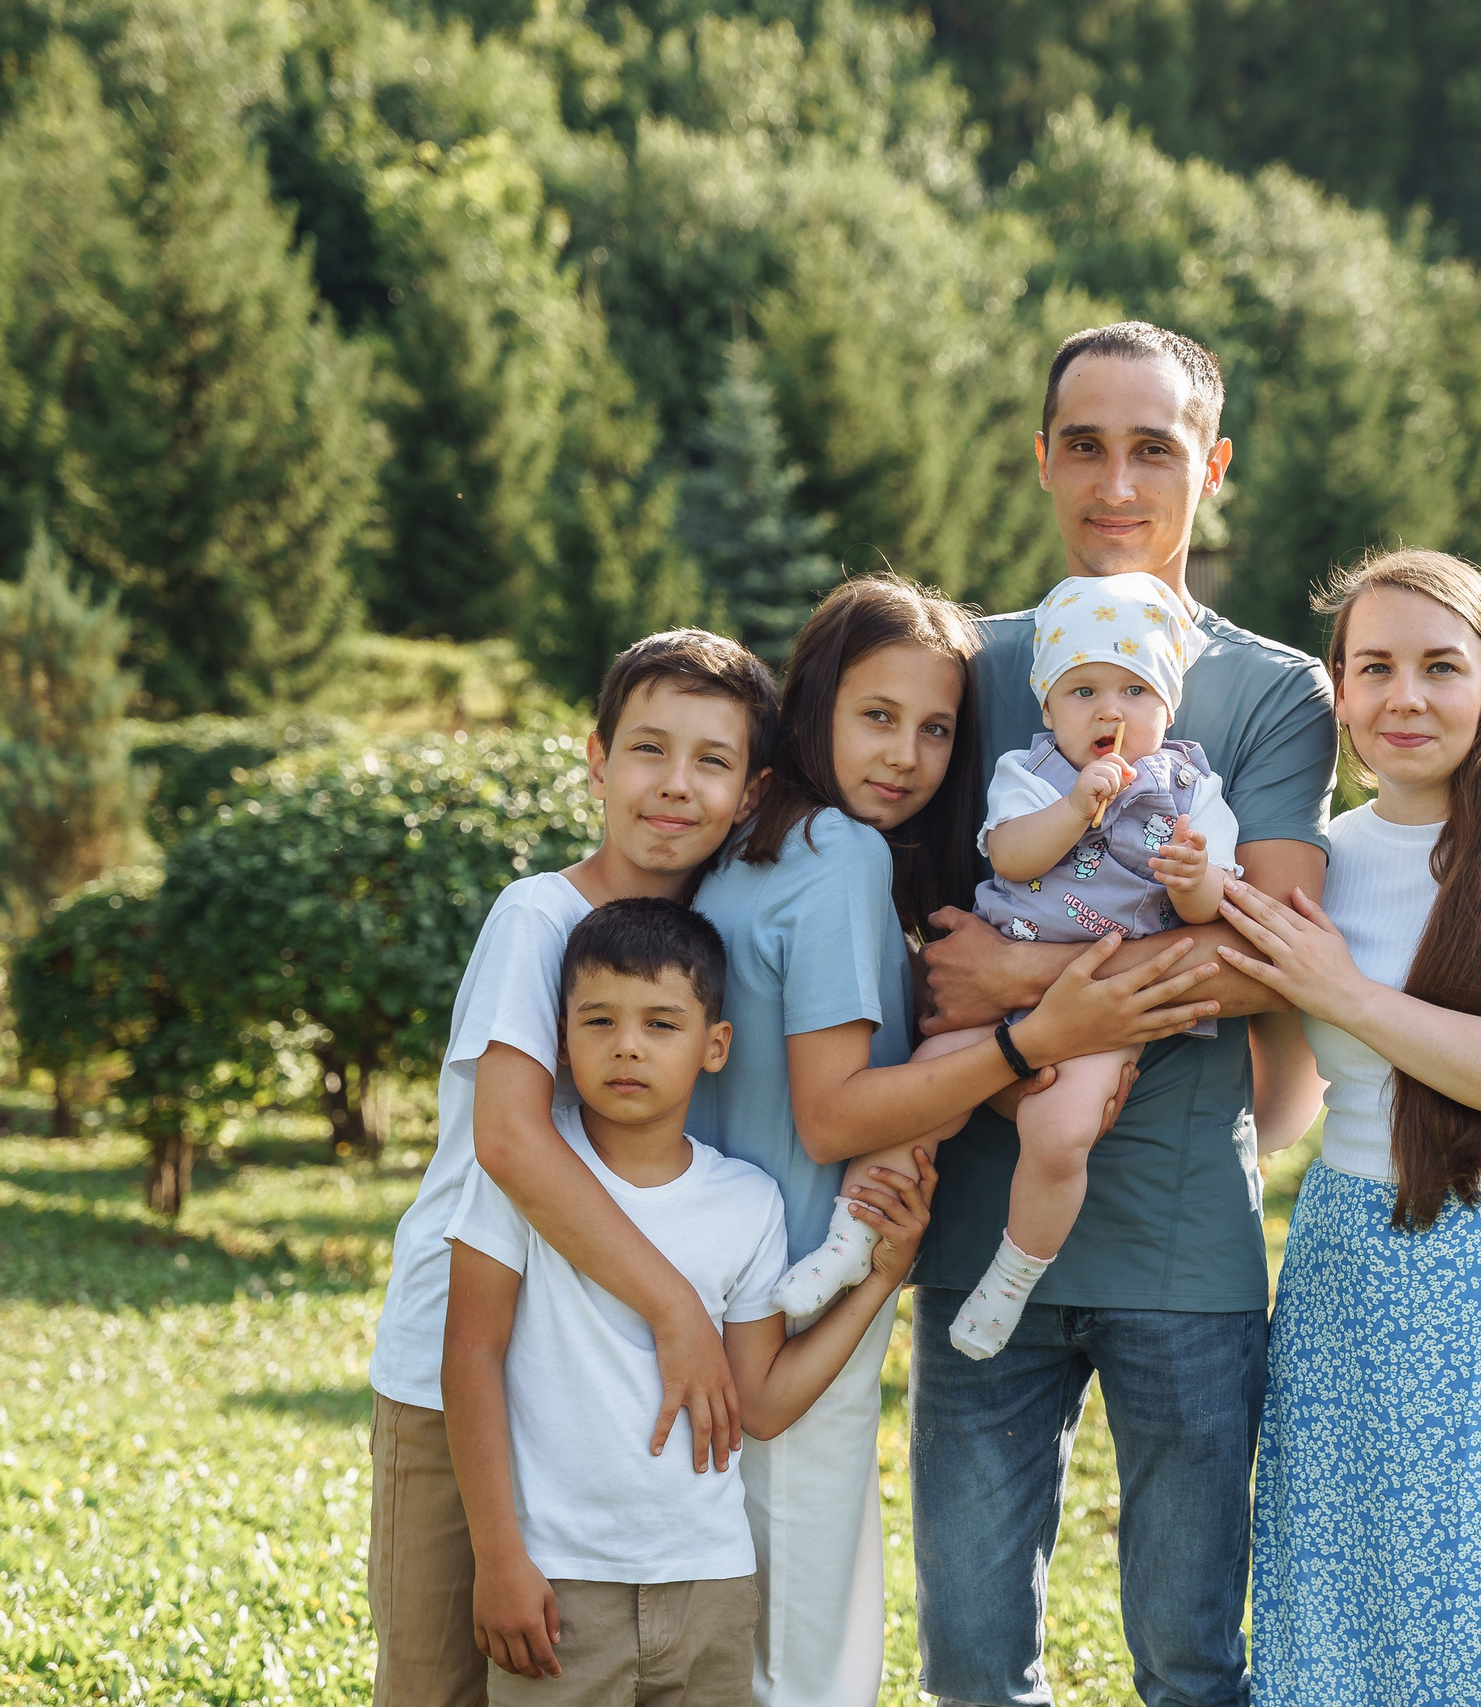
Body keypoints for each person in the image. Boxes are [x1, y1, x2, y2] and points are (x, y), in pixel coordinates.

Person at [689, 572, 1222, 1707]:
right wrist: (1039, 1040)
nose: (906, 756)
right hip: (801, 1269)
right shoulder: (841, 857)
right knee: (805, 1637)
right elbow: (837, 1112)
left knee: (713, 1608)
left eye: (935, 730)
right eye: (876, 717)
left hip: (722, 1264)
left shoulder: (754, 839)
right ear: (815, 701)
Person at [907, 322, 1337, 1707]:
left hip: (1183, 1241)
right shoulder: (967, 666)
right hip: (978, 1224)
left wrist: (1019, 983)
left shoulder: (1272, 692)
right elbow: (914, 925)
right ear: (1043, 459)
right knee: (974, 1663)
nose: (1116, 480)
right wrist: (965, 980)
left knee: (1193, 1661)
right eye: (1084, 443)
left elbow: (1275, 953)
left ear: (1210, 466)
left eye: (1154, 446)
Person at [1211, 549, 1481, 1705]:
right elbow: (1291, 1092)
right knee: (1338, 1612)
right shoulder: (1318, 865)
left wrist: (1348, 992)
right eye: (1375, 668)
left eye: (1439, 666)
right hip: (1349, 1266)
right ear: (1339, 691)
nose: (1405, 697)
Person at [368, 630, 778, 1707]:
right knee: (437, 1681)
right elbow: (509, 1140)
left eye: (711, 760)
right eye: (648, 749)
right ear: (594, 761)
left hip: (587, 1399)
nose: (674, 785)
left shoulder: (686, 942)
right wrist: (678, 1309)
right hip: (458, 1368)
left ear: (748, 794)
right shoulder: (540, 917)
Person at [440, 898, 937, 1707]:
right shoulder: (528, 1176)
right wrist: (498, 1557)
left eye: (661, 1024)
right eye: (598, 1020)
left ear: (715, 1046)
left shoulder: (747, 1201)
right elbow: (470, 1354)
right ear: (561, 1038)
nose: (627, 1044)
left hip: (710, 1578)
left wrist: (882, 1277)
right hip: (557, 1581)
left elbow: (762, 1402)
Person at [773, 570, 1238, 1362]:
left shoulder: (1192, 793)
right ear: (1049, 706)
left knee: (1060, 1134)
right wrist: (1075, 808)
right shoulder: (1031, 775)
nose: (1109, 711)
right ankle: (851, 1236)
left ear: (1168, 706)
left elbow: (1211, 912)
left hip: (1100, 1016)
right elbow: (1013, 855)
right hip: (993, 1000)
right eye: (1083, 690)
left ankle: (1013, 1275)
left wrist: (1197, 882)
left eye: (1134, 690)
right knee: (925, 1092)